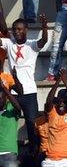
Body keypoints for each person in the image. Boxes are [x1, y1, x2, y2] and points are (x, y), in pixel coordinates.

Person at [0, 11, 47, 150]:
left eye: (20, 29)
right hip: (13, 92)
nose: (16, 32)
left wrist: (44, 27)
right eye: (14, 29)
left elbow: (43, 41)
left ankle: (33, 151)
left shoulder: (32, 45)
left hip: (29, 92)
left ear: (26, 30)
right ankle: (7, 147)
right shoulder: (9, 43)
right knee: (8, 121)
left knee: (31, 122)